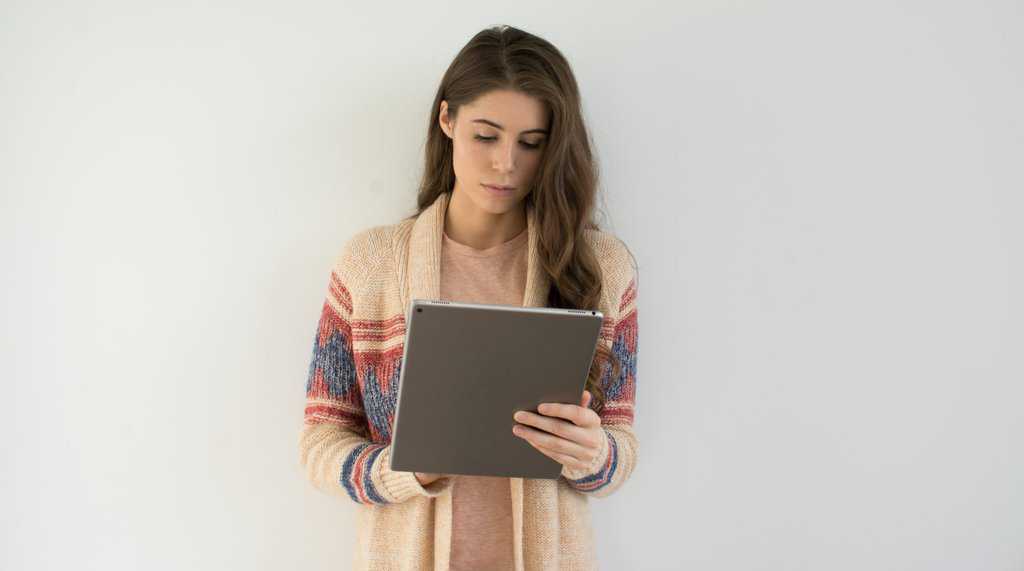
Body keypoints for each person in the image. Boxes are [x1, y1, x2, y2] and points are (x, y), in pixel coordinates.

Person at [298, 24, 639, 571]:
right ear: (447, 119)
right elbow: (320, 444)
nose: (507, 163)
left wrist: (595, 454)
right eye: (486, 135)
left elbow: (619, 448)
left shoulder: (601, 267)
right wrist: (405, 472)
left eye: (532, 143)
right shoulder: (369, 265)